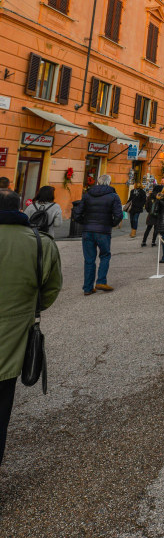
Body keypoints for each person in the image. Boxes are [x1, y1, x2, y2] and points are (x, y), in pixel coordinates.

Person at [0, 189, 63, 467]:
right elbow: (50, 291)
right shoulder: (41, 243)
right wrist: (27, 311)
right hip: (11, 341)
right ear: (19, 209)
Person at [73, 173, 123, 294]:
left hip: (88, 230)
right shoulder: (113, 196)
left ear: (98, 182)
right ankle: (101, 281)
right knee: (105, 255)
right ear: (109, 183)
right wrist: (111, 223)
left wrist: (85, 223)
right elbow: (119, 215)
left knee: (89, 259)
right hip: (103, 230)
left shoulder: (87, 195)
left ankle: (88, 287)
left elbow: (77, 213)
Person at [140, 179, 164, 248]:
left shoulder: (150, 196)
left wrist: (150, 211)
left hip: (150, 215)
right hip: (158, 215)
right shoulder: (160, 197)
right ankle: (153, 242)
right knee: (156, 229)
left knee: (148, 228)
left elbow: (146, 206)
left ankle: (144, 241)